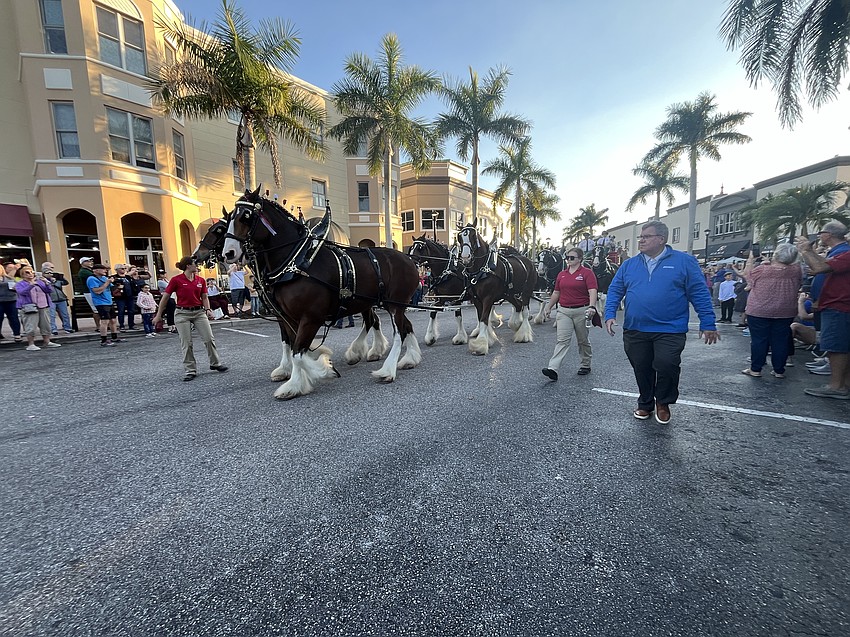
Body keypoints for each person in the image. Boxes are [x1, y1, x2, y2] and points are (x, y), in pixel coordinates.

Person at [604, 220, 718, 425]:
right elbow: (615, 290)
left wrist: (708, 322)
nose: (641, 240)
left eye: (646, 237)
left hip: (670, 329)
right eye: (640, 237)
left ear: (661, 239)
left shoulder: (684, 261)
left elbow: (699, 292)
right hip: (635, 328)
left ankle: (663, 402)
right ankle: (645, 402)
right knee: (642, 366)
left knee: (667, 364)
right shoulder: (629, 264)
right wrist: (609, 313)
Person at [795, 221, 850, 399]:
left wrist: (805, 250)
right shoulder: (839, 252)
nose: (818, 236)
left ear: (828, 235)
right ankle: (843, 383)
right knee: (838, 345)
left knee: (837, 347)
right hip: (832, 304)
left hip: (838, 305)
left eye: (821, 233)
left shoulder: (844, 252)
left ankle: (836, 386)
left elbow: (818, 268)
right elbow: (822, 266)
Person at [153, 257, 228, 381]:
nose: (197, 266)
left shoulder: (200, 280)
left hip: (199, 312)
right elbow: (165, 298)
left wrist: (208, 310)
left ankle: (215, 363)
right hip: (182, 313)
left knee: (209, 339)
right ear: (188, 266)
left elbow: (204, 297)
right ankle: (190, 370)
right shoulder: (176, 280)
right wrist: (159, 315)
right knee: (186, 343)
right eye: (195, 264)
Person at [740, 244, 802, 379]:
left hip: (759, 309)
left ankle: (756, 369)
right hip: (785, 310)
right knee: (781, 340)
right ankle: (779, 370)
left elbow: (747, 276)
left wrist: (751, 260)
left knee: (759, 340)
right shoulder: (796, 270)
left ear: (776, 255)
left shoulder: (762, 269)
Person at [541, 247, 598, 380]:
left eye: (572, 258)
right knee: (562, 340)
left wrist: (592, 307)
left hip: (581, 310)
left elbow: (592, 290)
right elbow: (556, 292)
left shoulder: (587, 273)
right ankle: (553, 368)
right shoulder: (562, 274)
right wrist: (548, 307)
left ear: (580, 259)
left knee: (582, 340)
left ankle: (585, 364)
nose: (569, 260)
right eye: (567, 258)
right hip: (564, 310)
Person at [15, 264, 60, 351]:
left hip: (43, 306)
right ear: (22, 275)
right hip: (30, 307)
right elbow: (22, 292)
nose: (30, 274)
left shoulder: (39, 282)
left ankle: (47, 341)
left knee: (45, 325)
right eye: (27, 273)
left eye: (31, 272)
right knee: (31, 326)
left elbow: (49, 291)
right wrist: (31, 285)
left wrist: (47, 283)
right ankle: (31, 344)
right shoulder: (20, 284)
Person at [87, 263, 123, 347]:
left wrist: (118, 284)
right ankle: (104, 340)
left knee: (113, 320)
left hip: (109, 301)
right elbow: (97, 291)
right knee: (105, 321)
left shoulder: (103, 278)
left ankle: (114, 337)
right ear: (96, 270)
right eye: (103, 269)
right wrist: (107, 282)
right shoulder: (91, 279)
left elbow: (112, 287)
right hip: (101, 302)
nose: (105, 271)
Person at [42, 262, 73, 334]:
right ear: (44, 274)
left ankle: (67, 328)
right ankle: (53, 329)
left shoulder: (57, 280)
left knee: (65, 314)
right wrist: (47, 281)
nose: (50, 274)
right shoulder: (43, 281)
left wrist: (60, 277)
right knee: (52, 315)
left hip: (61, 299)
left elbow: (66, 283)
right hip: (51, 300)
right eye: (47, 273)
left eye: (51, 273)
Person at [0, 262, 22, 343]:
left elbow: (16, 285)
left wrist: (15, 287)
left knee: (13, 318)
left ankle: (17, 334)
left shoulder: (9, 278)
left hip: (11, 300)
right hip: (0, 301)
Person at [77, 256, 100, 330]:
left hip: (94, 290)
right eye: (87, 261)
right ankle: (98, 326)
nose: (90, 262)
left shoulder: (89, 270)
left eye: (90, 261)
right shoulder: (83, 272)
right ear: (82, 263)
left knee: (99, 308)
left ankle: (103, 325)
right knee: (95, 309)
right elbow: (97, 277)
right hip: (89, 292)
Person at [112, 264, 137, 331]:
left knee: (131, 311)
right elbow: (113, 286)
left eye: (125, 268)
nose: (124, 270)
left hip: (130, 296)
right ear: (117, 270)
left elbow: (133, 285)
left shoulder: (128, 277)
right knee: (121, 311)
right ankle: (121, 325)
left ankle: (131, 324)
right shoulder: (114, 277)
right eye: (122, 268)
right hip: (120, 297)